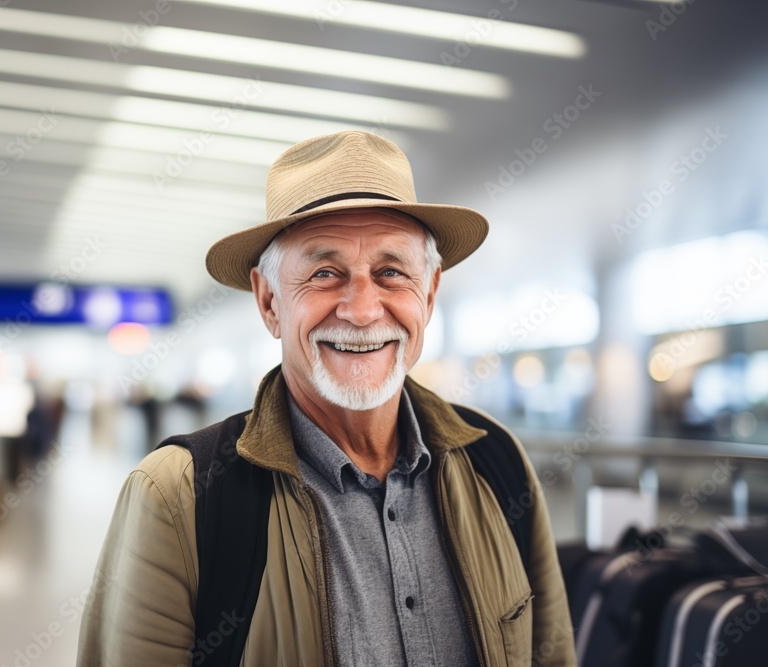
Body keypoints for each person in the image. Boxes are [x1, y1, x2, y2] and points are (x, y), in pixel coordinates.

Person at [77, 130, 574, 666]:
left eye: (391, 272)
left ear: (428, 297)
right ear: (269, 303)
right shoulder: (178, 498)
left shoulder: (497, 464)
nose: (362, 310)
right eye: (324, 273)